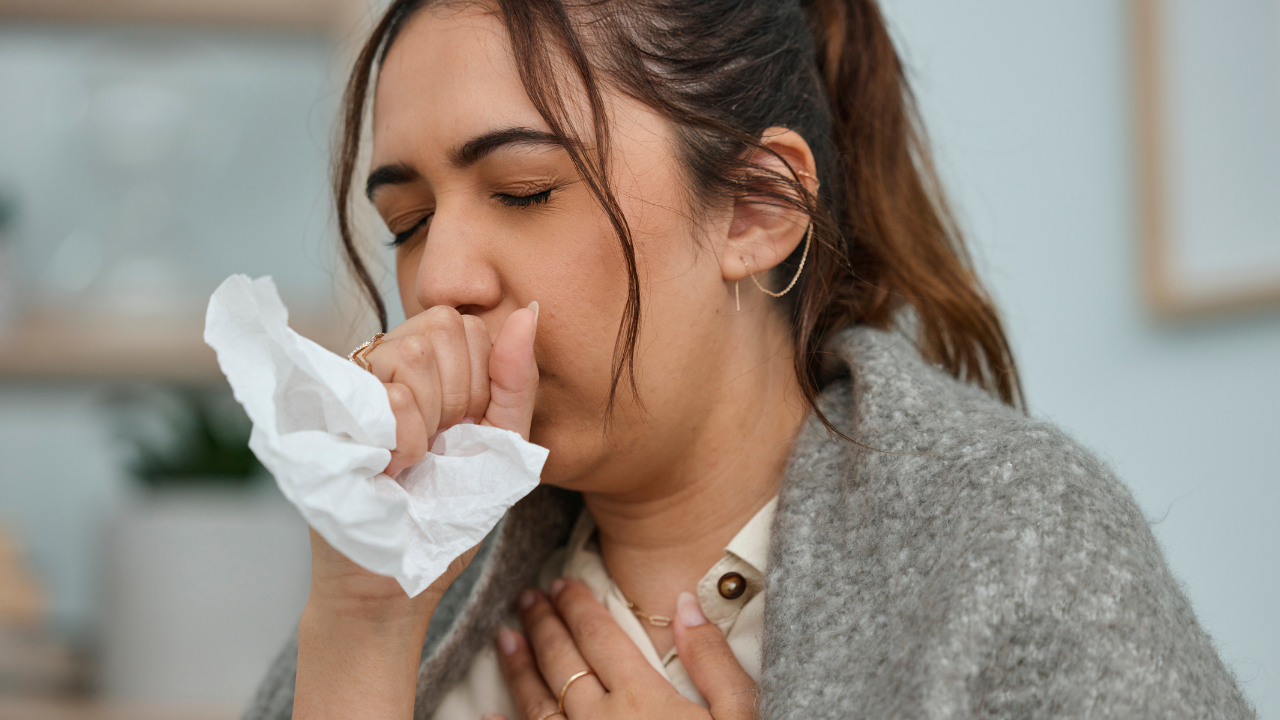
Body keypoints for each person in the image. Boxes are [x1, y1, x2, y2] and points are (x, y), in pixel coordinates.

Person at [246, 0, 1254, 718]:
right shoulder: (410, 583)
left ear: (757, 206)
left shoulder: (1018, 541)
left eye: (520, 191)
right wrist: (362, 624)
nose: (441, 279)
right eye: (407, 221)